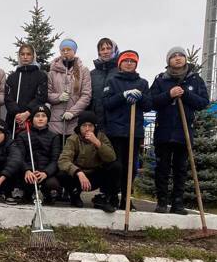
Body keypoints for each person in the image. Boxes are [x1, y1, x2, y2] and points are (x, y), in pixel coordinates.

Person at [150, 46, 210, 214]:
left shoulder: (194, 80)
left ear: (185, 59)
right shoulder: (161, 80)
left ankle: (177, 203)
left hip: (184, 132)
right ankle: (161, 202)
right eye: (173, 56)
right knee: (162, 168)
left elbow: (204, 103)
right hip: (164, 132)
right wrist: (169, 94)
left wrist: (185, 95)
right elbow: (151, 102)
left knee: (181, 169)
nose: (177, 58)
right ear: (168, 61)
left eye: (181, 55)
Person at [103, 50, 152, 210]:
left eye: (132, 61)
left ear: (136, 64)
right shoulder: (112, 81)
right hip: (116, 131)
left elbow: (148, 106)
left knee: (130, 168)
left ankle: (126, 198)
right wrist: (122, 95)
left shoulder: (143, 83)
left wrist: (141, 97)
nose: (129, 63)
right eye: (126, 61)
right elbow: (107, 104)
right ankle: (112, 196)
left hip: (134, 131)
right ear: (120, 64)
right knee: (116, 166)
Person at [57, 111, 122, 212]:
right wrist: (78, 172)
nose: (87, 129)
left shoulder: (101, 137)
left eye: (90, 126)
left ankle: (108, 197)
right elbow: (63, 160)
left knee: (116, 166)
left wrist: (98, 143)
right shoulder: (73, 139)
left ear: (95, 127)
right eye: (84, 125)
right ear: (79, 127)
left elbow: (111, 157)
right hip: (79, 176)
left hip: (96, 175)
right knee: (62, 174)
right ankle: (74, 195)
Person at [18, 105, 62, 205]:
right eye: (37, 116)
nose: (41, 118)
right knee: (25, 180)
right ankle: (27, 194)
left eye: (43, 116)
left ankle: (48, 195)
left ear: (48, 119)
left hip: (45, 172)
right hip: (29, 172)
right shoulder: (23, 135)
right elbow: (19, 157)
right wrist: (27, 170)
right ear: (32, 119)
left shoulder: (54, 137)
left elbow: (55, 160)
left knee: (53, 184)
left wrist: (45, 173)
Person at [48, 39, 92, 137]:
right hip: (56, 121)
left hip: (74, 121)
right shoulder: (52, 72)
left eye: (69, 49)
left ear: (74, 51)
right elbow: (47, 94)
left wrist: (72, 112)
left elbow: (86, 95)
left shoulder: (83, 71)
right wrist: (59, 97)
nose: (65, 52)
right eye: (63, 50)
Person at [5, 43, 47, 138]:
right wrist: (17, 114)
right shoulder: (12, 77)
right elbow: (8, 98)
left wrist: (27, 113)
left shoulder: (41, 76)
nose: (25, 57)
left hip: (33, 119)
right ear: (19, 56)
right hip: (14, 120)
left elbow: (41, 96)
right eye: (22, 54)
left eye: (28, 54)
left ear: (33, 56)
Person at [89, 37, 119, 130]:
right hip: (97, 122)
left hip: (117, 123)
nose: (105, 52)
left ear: (114, 50)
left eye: (109, 48)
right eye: (102, 49)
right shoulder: (92, 74)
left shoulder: (121, 71)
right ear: (99, 52)